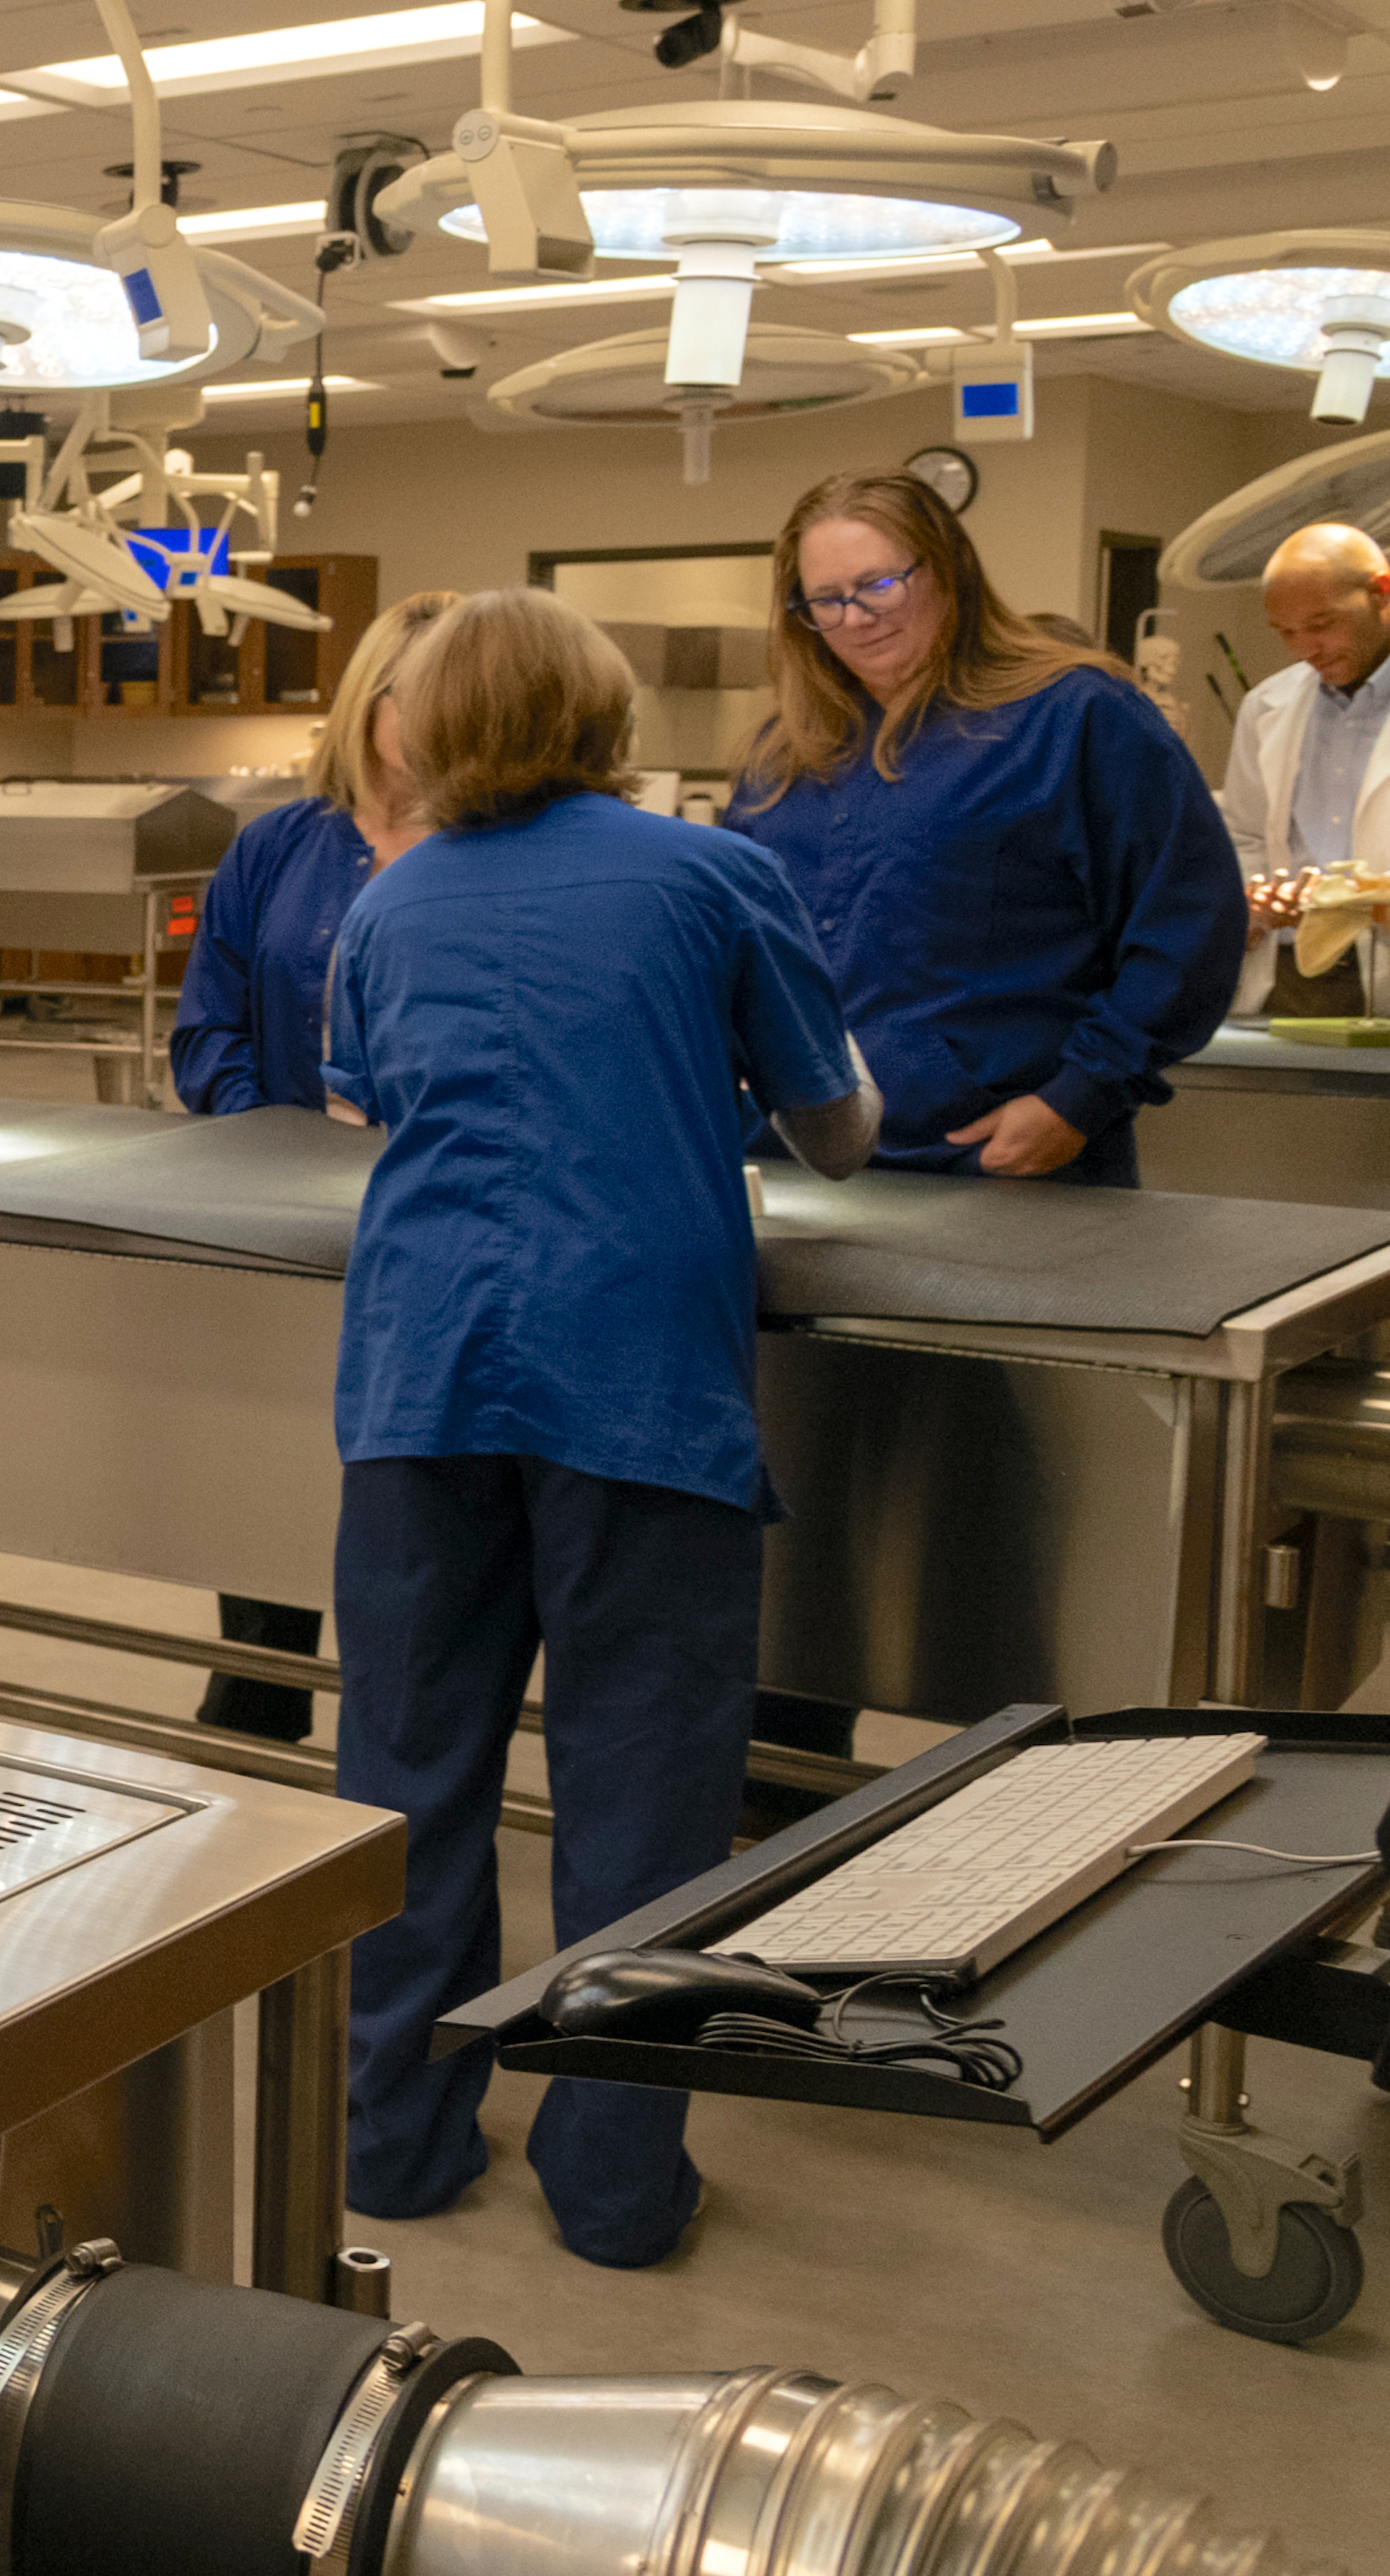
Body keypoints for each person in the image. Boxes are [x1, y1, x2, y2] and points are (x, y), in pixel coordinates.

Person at [318, 590, 877, 2270]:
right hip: (634, 1377)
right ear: (602, 715)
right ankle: (617, 2189)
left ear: (426, 728)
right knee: (641, 1791)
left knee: (408, 1774)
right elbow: (838, 1131)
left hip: (422, 1375)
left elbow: (368, 1096)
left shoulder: (391, 902)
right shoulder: (710, 877)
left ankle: (393, 2146)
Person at [723, 467, 1242, 1186]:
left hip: (994, 1160)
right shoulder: (782, 755)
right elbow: (740, 942)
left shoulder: (1076, 716)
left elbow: (1189, 926)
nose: (855, 618)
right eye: (826, 600)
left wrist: (1082, 1096)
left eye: (879, 586)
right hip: (796, 1159)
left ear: (950, 571)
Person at [165, 586, 455, 1742]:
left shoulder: (497, 850)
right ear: (365, 702)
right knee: (265, 1473)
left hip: (439, 1220)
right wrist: (280, 1151)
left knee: (411, 1501)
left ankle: (398, 1743)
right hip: (282, 1224)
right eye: (416, 697)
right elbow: (207, 1031)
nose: (439, 721)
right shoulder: (279, 847)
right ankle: (256, 1709)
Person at [1222, 523, 1390, 1018]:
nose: (1306, 649)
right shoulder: (1266, 705)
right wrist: (1258, 901)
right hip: (1293, 972)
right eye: (1286, 632)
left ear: (1382, 592)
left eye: (1321, 625)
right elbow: (1246, 835)